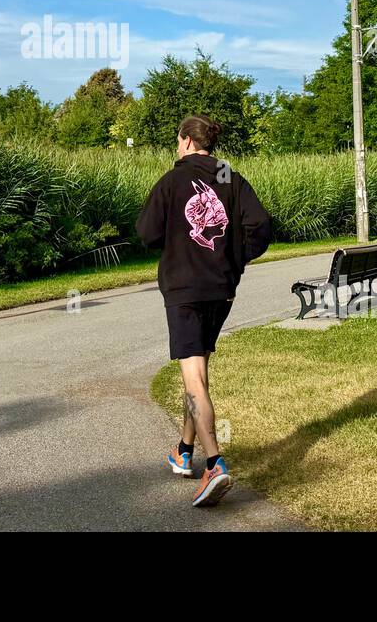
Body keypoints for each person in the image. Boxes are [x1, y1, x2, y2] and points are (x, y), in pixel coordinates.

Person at [135, 114, 272, 507]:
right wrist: (236, 259)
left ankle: (214, 463)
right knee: (198, 369)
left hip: (184, 288)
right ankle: (183, 450)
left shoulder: (173, 180)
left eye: (178, 141)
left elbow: (146, 233)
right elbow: (260, 225)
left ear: (185, 141)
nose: (177, 147)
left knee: (193, 374)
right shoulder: (228, 174)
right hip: (221, 289)